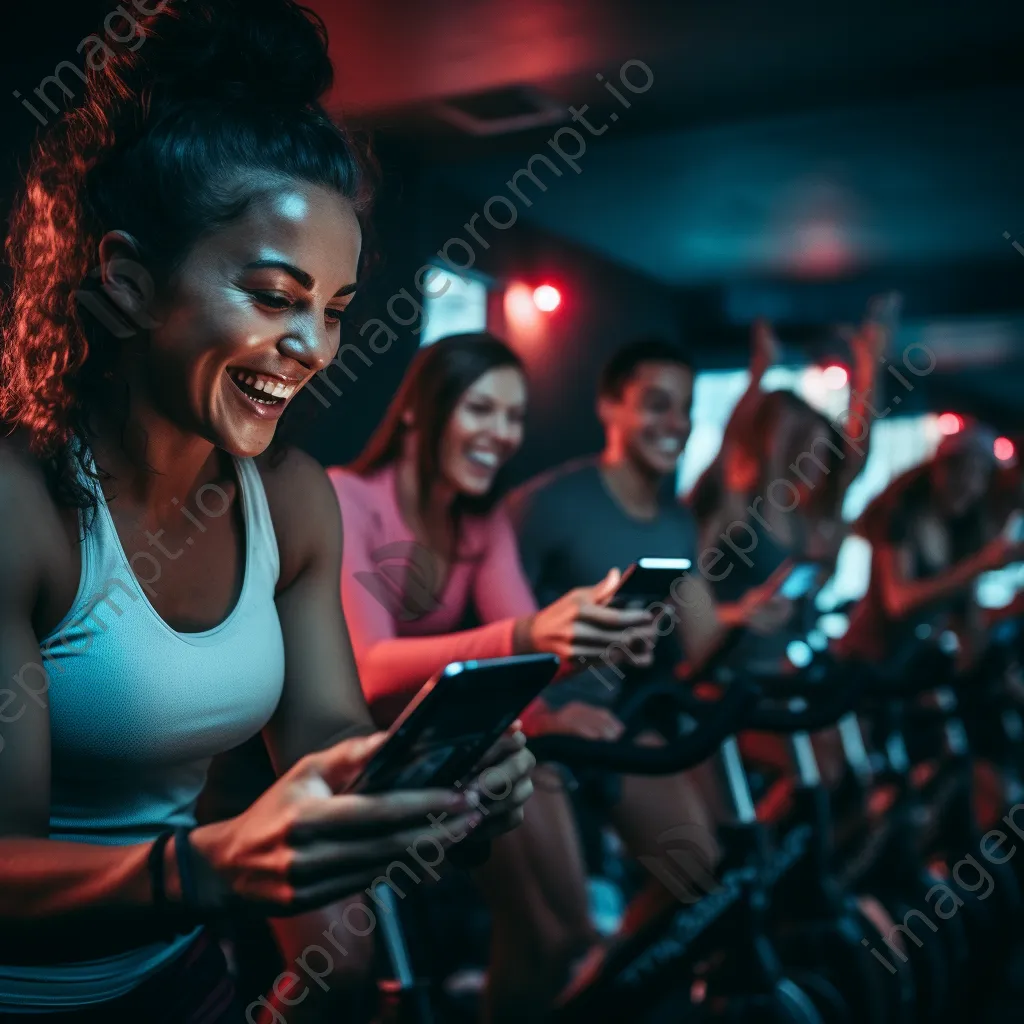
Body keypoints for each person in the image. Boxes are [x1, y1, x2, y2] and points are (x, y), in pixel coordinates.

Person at [0, 3, 533, 1020]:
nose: (316, 349)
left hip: (182, 980)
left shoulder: (291, 501)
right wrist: (204, 870)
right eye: (276, 295)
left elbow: (325, 732)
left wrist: (432, 776)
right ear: (127, 280)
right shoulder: (20, 504)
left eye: (333, 309)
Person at [328, 332, 660, 1023]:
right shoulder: (348, 497)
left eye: (514, 417)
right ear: (421, 409)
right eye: (482, 409)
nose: (502, 434)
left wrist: (598, 637)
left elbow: (530, 649)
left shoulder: (478, 524)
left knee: (563, 938)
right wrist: (534, 636)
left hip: (449, 747)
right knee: (347, 981)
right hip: (342, 753)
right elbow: (369, 668)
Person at [505, 338, 734, 932]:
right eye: (657, 404)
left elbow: (705, 640)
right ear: (610, 405)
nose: (676, 423)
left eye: (685, 408)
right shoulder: (548, 504)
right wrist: (541, 718)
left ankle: (615, 981)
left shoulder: (677, 522)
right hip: (531, 734)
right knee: (560, 935)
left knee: (698, 876)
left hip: (609, 726)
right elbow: (484, 632)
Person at [842, 424, 1024, 667]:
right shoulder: (901, 514)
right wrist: (977, 566)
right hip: (865, 660)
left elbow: (968, 623)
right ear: (938, 467)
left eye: (978, 475)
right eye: (960, 470)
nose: (968, 485)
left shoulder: (962, 532)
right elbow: (897, 601)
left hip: (910, 666)